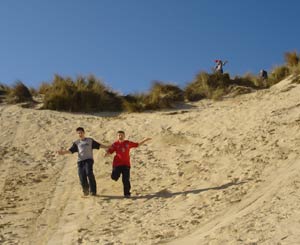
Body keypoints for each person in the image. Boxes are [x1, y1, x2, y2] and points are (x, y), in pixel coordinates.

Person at [57, 127, 108, 196]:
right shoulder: (76, 143)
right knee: (82, 176)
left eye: (81, 133)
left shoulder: (90, 140)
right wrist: (63, 152)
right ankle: (86, 191)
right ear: (77, 134)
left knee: (89, 172)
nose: (80, 134)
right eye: (78, 133)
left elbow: (99, 145)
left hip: (89, 160)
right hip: (80, 161)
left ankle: (93, 191)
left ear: (84, 133)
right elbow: (71, 150)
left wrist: (108, 147)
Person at [105, 130, 151, 198]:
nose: (120, 136)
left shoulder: (128, 143)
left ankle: (127, 194)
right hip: (117, 164)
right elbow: (109, 152)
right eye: (119, 135)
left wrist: (145, 140)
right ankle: (116, 177)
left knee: (126, 179)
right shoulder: (115, 144)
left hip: (126, 164)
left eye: (122, 135)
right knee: (114, 177)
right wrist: (106, 153)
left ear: (124, 136)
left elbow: (137, 144)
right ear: (117, 136)